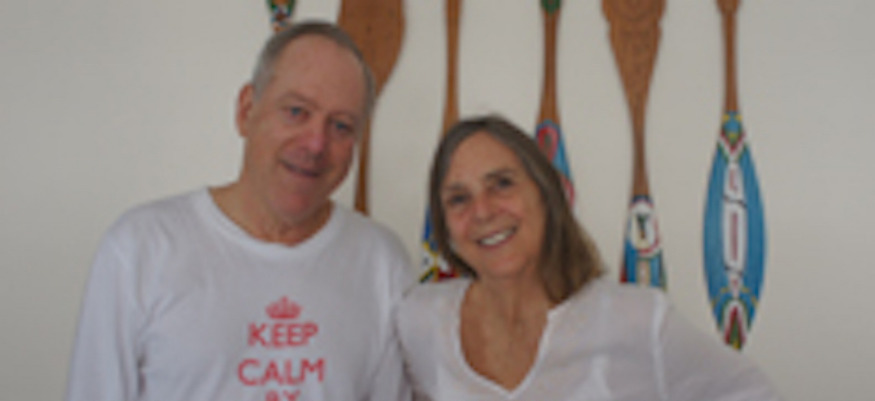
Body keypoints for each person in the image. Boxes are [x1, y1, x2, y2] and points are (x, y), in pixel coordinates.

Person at [66, 21, 413, 401]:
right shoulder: (141, 246)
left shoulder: (382, 263)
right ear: (247, 110)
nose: (316, 143)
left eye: (341, 126)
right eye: (296, 111)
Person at [395, 115, 782, 400]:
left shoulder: (638, 321)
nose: (482, 211)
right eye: (458, 199)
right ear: (445, 226)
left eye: (502, 184)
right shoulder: (420, 321)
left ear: (546, 195)